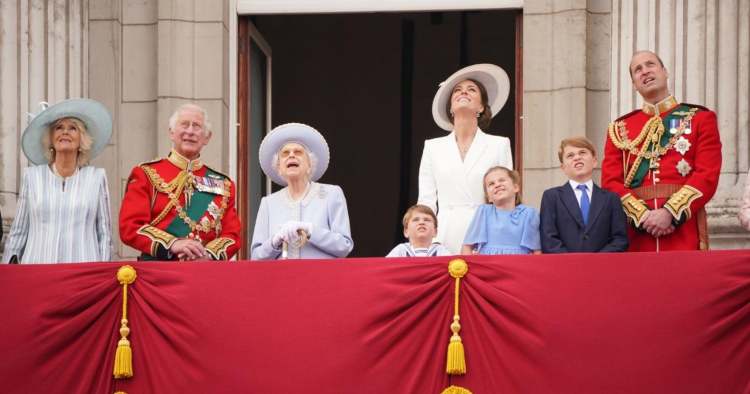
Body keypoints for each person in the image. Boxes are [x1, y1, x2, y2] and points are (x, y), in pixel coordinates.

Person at [601, 50, 722, 251]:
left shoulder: (700, 118)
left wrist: (670, 213)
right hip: (638, 235)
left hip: (684, 230)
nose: (645, 71)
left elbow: (707, 174)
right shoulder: (619, 129)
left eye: (650, 64)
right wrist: (642, 216)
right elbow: (610, 182)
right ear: (634, 84)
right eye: (637, 70)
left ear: (665, 72)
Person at [119, 103, 240, 260]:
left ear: (207, 138)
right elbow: (130, 226)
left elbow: (232, 235)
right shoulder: (146, 174)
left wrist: (207, 255)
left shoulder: (224, 184)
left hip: (203, 273)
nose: (190, 131)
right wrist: (172, 244)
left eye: (196, 126)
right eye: (184, 125)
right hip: (158, 273)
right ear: (171, 132)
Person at [2, 99, 113, 263]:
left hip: (83, 273)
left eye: (73, 128)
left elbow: (104, 235)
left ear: (81, 140)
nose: (65, 132)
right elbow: (19, 231)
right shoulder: (32, 178)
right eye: (59, 128)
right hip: (38, 271)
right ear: (51, 139)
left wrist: (103, 275)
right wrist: (7, 273)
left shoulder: (96, 178)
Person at [418, 64, 514, 254]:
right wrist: (425, 242)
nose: (464, 93)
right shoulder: (433, 147)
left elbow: (505, 197)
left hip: (485, 235)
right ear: (451, 108)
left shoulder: (499, 144)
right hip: (444, 235)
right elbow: (426, 200)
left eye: (471, 90)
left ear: (481, 107)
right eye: (457, 90)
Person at [251, 123, 353, 260]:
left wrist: (310, 230)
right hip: (281, 279)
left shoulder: (331, 194)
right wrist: (274, 241)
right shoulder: (268, 203)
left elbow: (344, 246)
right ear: (279, 167)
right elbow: (256, 257)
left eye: (298, 152)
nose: (291, 156)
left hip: (321, 278)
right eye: (285, 153)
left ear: (310, 164)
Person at [540, 137, 628, 253]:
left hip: (602, 266)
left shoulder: (611, 199)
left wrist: (595, 261)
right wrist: (574, 263)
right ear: (563, 167)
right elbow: (549, 239)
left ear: (594, 161)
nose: (577, 157)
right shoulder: (551, 197)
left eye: (582, 152)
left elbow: (619, 239)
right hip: (564, 267)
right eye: (570, 156)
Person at [461, 166, 540, 255]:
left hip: (519, 265)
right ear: (488, 197)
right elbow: (467, 247)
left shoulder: (529, 214)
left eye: (502, 180)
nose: (497, 185)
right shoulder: (483, 212)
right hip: (488, 266)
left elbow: (537, 251)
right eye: (491, 184)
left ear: (516, 187)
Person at [386, 204, 451, 257]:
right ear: (406, 231)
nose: (421, 222)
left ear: (435, 232)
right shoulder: (401, 250)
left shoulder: (441, 251)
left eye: (427, 220)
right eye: (416, 220)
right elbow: (385, 267)